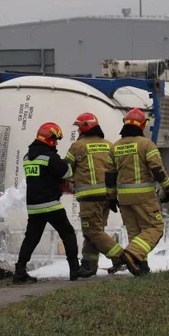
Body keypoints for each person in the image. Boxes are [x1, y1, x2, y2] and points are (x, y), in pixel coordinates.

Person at [14, 122, 80, 283]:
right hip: (50, 204)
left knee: (31, 238)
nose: (56, 143)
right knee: (68, 234)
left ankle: (20, 271)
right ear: (49, 139)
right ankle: (74, 270)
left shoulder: (27, 157)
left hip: (34, 206)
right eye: (55, 139)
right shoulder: (49, 157)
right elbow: (67, 172)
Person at [113, 108, 169, 276]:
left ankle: (141, 266)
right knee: (155, 227)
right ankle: (132, 254)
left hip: (123, 198)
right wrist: (168, 188)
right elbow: (157, 169)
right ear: (142, 125)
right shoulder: (146, 144)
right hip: (144, 196)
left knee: (135, 232)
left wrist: (111, 197)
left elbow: (109, 175)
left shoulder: (116, 146)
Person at [63, 112, 124, 278]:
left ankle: (122, 257)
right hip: (107, 196)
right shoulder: (109, 145)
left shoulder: (78, 146)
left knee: (93, 232)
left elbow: (65, 169)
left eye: (78, 127)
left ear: (84, 128)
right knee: (94, 231)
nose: (77, 131)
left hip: (90, 197)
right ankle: (89, 266)